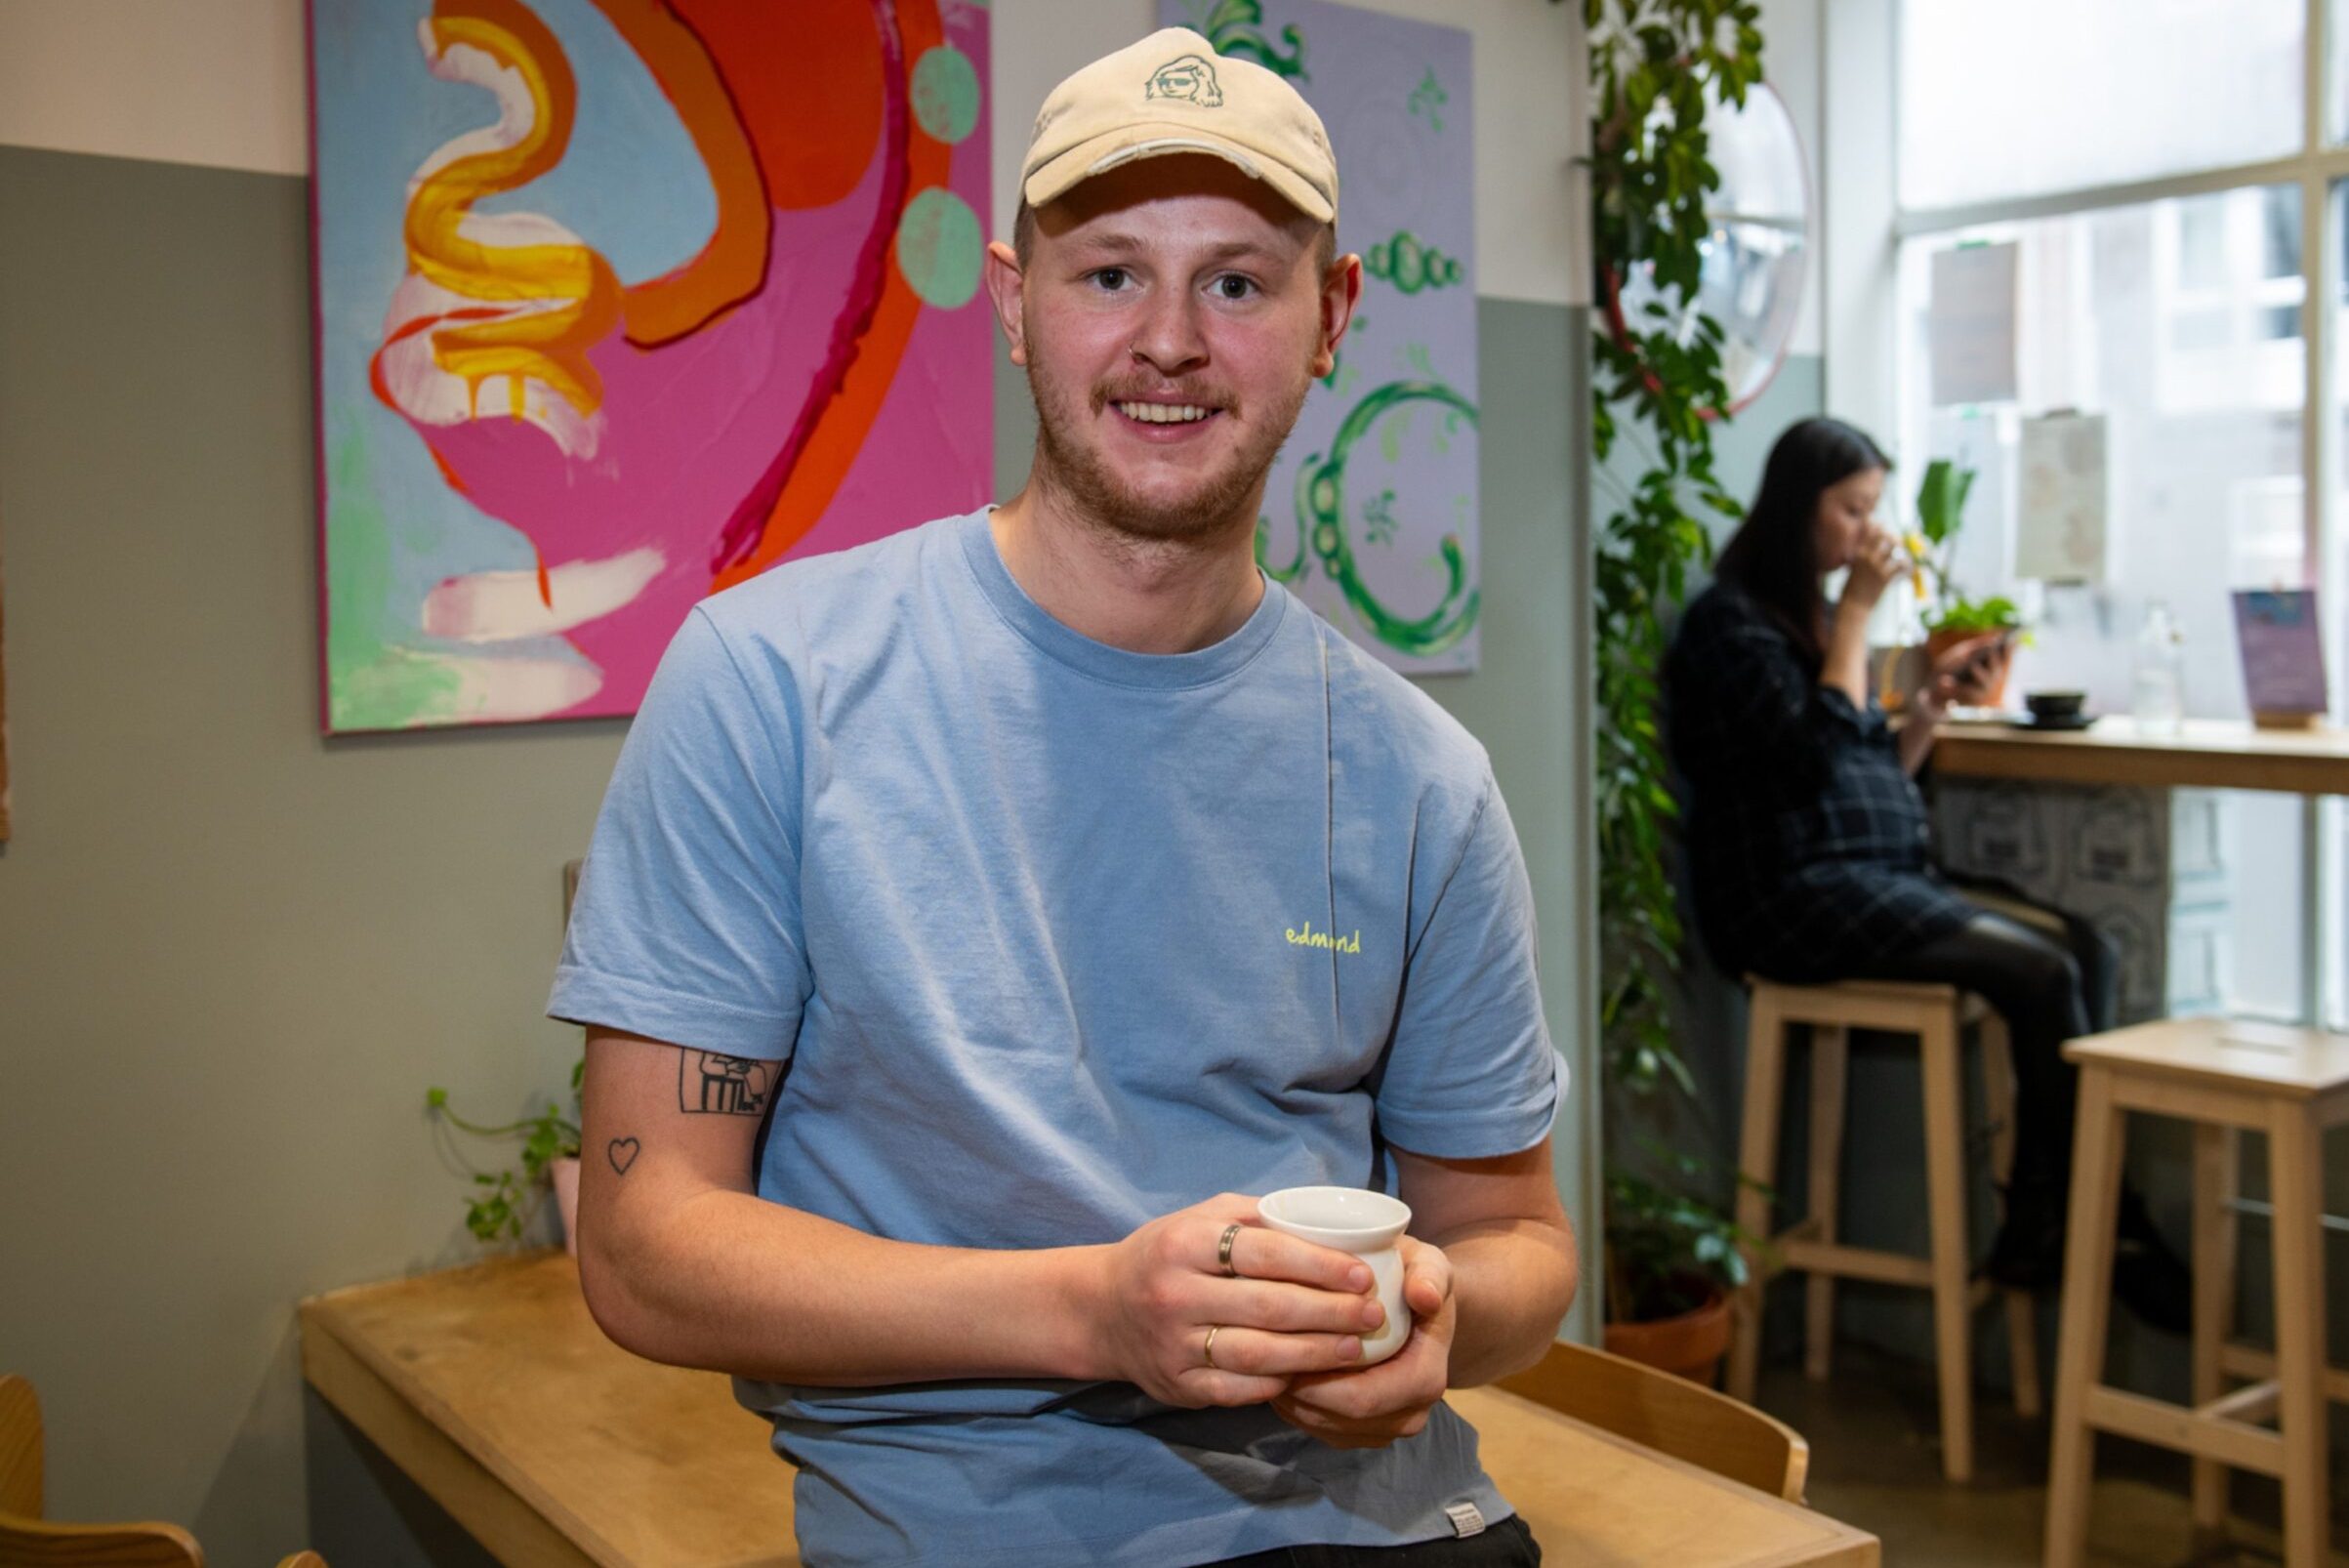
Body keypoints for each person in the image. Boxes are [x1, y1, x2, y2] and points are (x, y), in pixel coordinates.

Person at [548, 28, 1575, 1568]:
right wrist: (1095, 1309)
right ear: (1015, 303)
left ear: (1329, 318)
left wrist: (1439, 1315)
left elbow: (1515, 1239)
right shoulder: (772, 683)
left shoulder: (1420, 778)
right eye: (1108, 274)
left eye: (1237, 281)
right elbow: (645, 1249)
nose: (1168, 339)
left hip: (1384, 1526)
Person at [1665, 417, 2187, 1328]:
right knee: (2043, 969)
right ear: (1800, 507)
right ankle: (2065, 1227)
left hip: (1867, 877)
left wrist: (1931, 709)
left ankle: (2059, 1215)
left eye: (1875, 508)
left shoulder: (1818, 621)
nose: (1871, 528)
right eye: (1854, 508)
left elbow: (1867, 768)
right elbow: (1807, 767)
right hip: (1784, 897)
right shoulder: (1729, 626)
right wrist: (1862, 618)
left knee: (2089, 949)